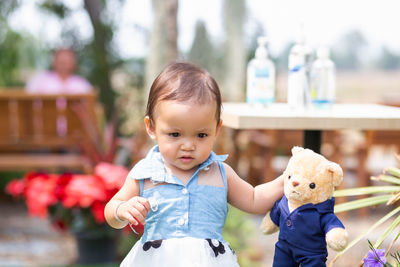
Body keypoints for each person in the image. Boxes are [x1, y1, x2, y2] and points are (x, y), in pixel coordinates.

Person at [104, 62, 284, 266]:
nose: (188, 145)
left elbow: (254, 198)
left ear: (216, 130)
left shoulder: (220, 172)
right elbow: (111, 210)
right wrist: (122, 209)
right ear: (151, 127)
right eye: (175, 134)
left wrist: (286, 181)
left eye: (201, 135)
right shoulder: (145, 173)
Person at [25, 48, 92, 94]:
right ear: (54, 62)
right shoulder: (39, 80)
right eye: (61, 60)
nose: (64, 64)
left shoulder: (82, 83)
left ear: (74, 63)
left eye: (67, 61)